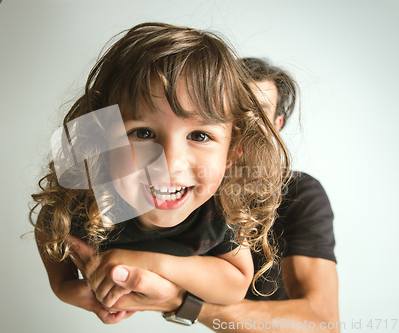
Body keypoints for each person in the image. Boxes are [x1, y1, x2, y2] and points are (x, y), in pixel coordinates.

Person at [31, 23, 290, 324]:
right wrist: (63, 286)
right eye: (142, 133)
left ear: (233, 151)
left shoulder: (219, 209)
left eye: (200, 136)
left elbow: (234, 285)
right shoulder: (89, 200)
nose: (169, 163)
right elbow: (48, 225)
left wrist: (144, 263)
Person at [69, 57, 340, 332]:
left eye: (256, 113)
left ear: (276, 125)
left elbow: (323, 324)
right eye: (234, 112)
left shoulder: (299, 193)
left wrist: (177, 300)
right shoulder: (171, 184)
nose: (243, 126)